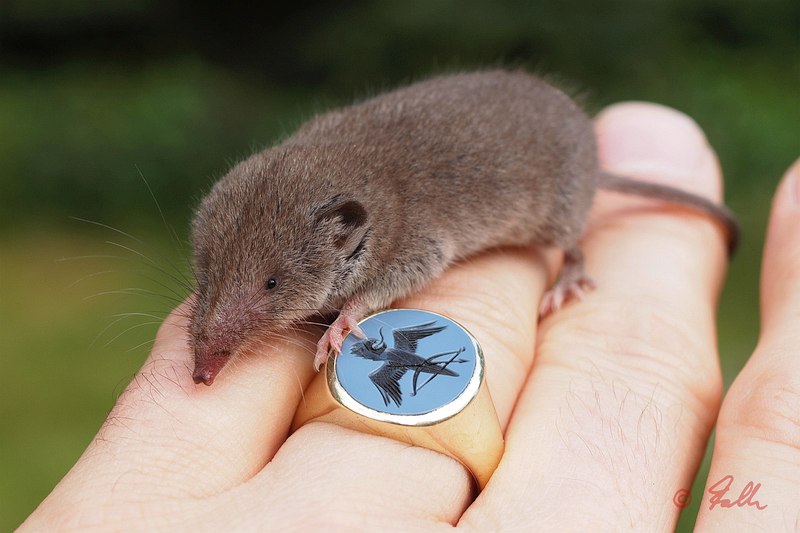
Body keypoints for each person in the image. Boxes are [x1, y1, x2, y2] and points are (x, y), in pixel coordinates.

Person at [20, 103, 799, 531]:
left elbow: (422, 251)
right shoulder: (294, 195)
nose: (216, 333)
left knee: (562, 232)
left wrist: (362, 304)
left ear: (349, 235)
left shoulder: (399, 223)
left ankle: (579, 260)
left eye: (267, 287)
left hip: (549, 153)